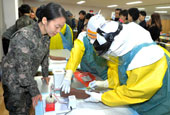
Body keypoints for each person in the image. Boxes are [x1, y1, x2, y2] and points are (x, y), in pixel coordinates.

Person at [84, 14, 170, 115]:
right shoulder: (123, 45)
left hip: (157, 106)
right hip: (139, 104)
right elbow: (122, 75)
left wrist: (102, 97)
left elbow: (135, 92)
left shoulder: (147, 56)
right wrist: (107, 83)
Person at [1, 2, 66, 114]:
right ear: (45, 20)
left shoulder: (46, 35)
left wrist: (45, 74)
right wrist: (35, 92)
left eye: (61, 27)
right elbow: (23, 72)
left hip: (27, 78)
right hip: (14, 82)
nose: (59, 31)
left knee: (28, 106)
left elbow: (45, 54)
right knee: (19, 110)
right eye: (57, 26)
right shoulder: (24, 37)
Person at [60, 14, 108, 94]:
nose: (93, 42)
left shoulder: (109, 41)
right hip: (87, 75)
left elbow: (115, 63)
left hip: (104, 77)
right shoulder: (83, 37)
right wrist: (68, 74)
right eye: (91, 37)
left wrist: (107, 82)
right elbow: (75, 56)